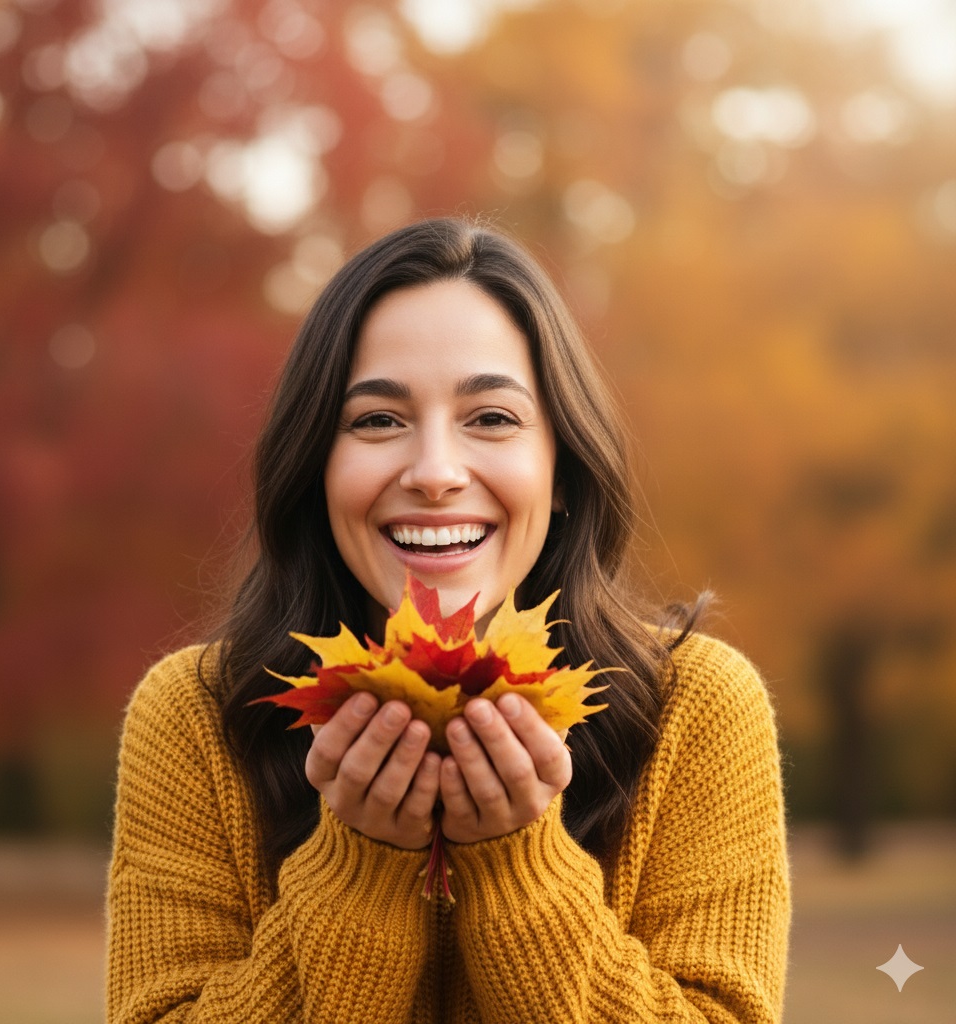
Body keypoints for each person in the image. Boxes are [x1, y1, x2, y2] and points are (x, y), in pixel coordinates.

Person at [106, 217, 790, 1023]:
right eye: (377, 421)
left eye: (492, 418)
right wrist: (356, 874)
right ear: (316, 469)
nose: (434, 472)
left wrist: (519, 871)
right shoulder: (196, 716)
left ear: (563, 467)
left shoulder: (693, 707)